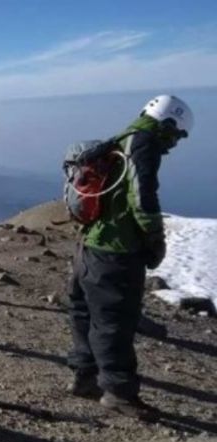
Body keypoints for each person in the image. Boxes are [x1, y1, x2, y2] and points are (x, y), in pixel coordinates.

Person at [66, 95, 193, 420]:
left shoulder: (117, 141)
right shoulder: (143, 144)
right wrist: (154, 239)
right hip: (116, 251)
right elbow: (142, 197)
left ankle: (85, 377)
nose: (175, 143)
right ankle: (118, 393)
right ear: (168, 123)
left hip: (88, 247)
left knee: (85, 314)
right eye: (177, 135)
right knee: (114, 322)